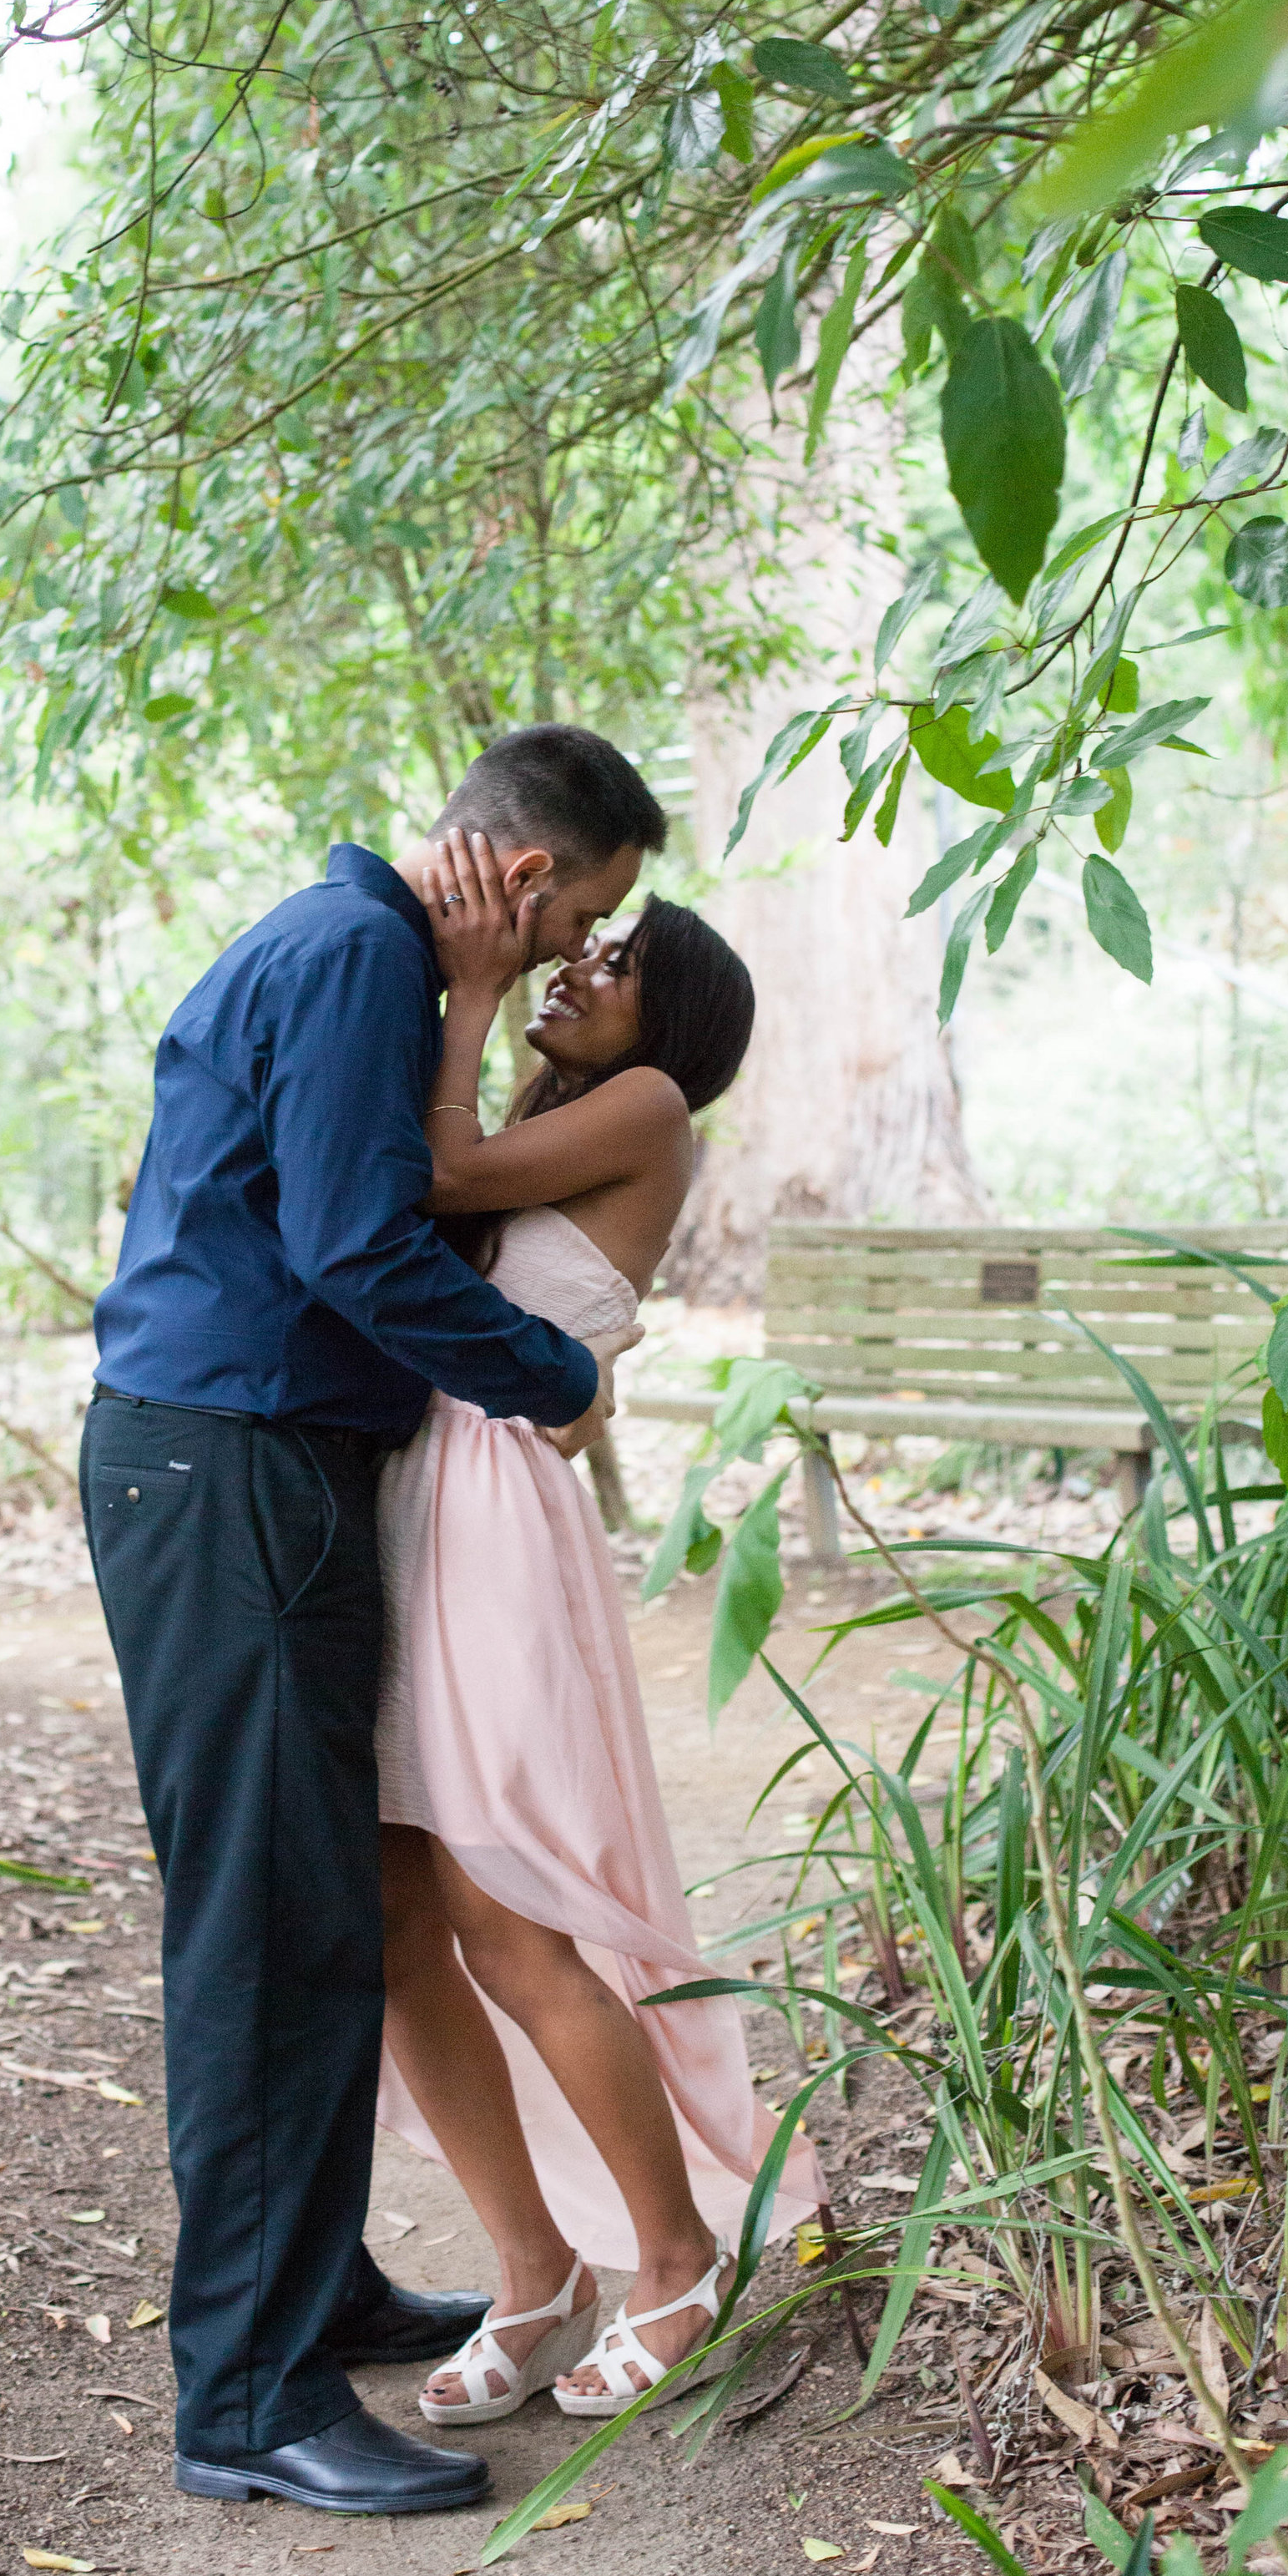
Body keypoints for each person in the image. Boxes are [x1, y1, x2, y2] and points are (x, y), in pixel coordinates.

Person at [82, 726, 663, 2520]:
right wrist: (558, 1371)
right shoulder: (355, 959)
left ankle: (312, 2293)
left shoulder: (362, 959)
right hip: (231, 1467)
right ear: (520, 868)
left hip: (262, 1466)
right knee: (269, 1928)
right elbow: (360, 1242)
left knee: (324, 1900)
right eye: (587, 910)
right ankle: (248, 2398)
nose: (580, 951)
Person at [375, 829, 824, 2427]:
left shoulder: (646, 1111)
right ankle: (531, 2271)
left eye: (618, 961)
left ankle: (676, 2254)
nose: (585, 962)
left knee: (510, 1907)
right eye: (589, 943)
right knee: (393, 1911)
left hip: (491, 1516)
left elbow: (425, 1183)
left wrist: (474, 986)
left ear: (672, 1019)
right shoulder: (563, 1112)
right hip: (422, 1493)